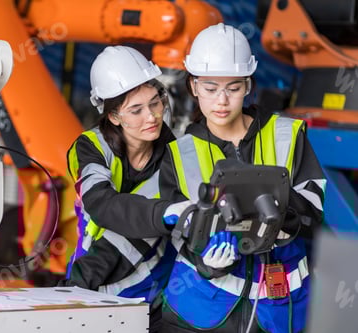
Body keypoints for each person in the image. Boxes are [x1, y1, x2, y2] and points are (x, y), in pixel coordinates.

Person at [155, 23, 326, 333]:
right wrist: (207, 261)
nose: (222, 100)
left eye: (233, 88)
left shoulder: (287, 135)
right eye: (210, 88)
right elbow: (176, 227)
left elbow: (314, 206)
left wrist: (286, 219)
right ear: (193, 86)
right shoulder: (179, 153)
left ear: (247, 86)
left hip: (278, 309)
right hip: (201, 309)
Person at [61, 45, 192, 315]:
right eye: (136, 110)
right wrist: (78, 286)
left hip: (152, 289)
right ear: (114, 116)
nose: (152, 116)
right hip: (91, 278)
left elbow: (135, 238)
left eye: (155, 102)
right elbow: (101, 204)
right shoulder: (90, 147)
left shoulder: (175, 155)